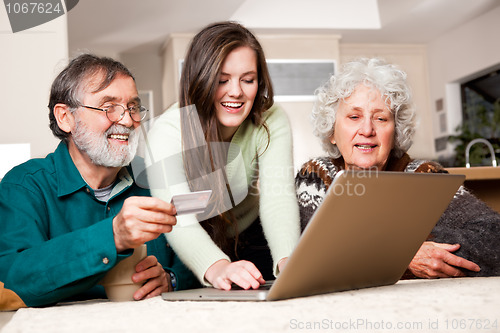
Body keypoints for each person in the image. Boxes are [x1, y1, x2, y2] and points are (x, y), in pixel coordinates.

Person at [0, 54, 197, 308]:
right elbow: (11, 279)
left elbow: (197, 254)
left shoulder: (158, 178)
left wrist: (171, 278)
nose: (127, 120)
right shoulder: (23, 186)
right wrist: (112, 236)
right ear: (65, 117)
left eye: (133, 107)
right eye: (109, 107)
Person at [296, 58, 500, 278]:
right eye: (354, 117)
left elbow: (493, 237)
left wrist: (387, 251)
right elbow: (316, 255)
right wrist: (404, 252)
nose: (367, 129)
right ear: (332, 132)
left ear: (395, 132)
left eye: (381, 118)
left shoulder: (423, 177)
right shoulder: (316, 175)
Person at [145, 21, 300, 290]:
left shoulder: (271, 119)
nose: (236, 91)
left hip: (253, 236)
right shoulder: (168, 131)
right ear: (201, 80)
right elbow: (178, 215)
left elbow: (278, 197)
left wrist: (288, 261)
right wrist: (218, 268)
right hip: (195, 243)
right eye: (222, 80)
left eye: (248, 80)